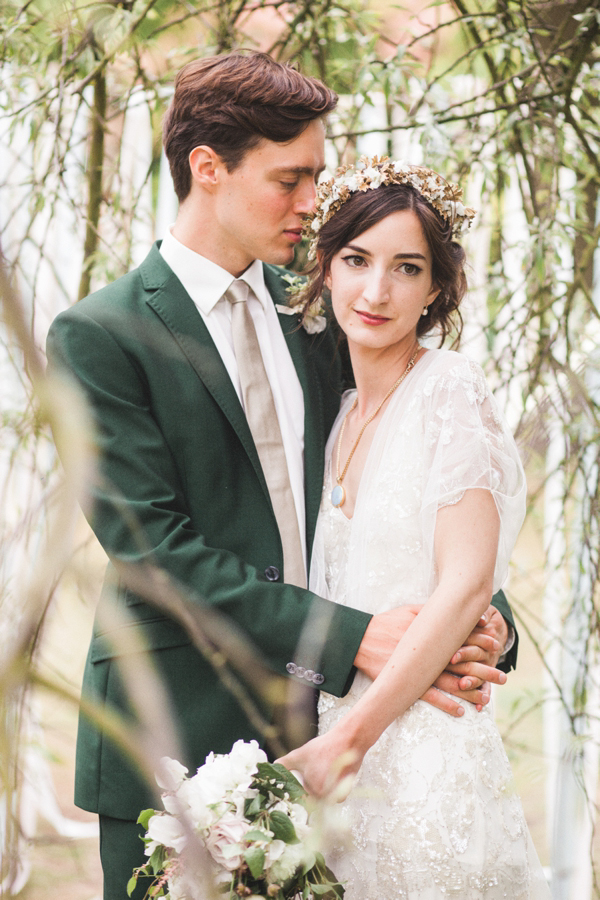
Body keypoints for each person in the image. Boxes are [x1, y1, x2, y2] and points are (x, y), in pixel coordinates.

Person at [45, 55, 517, 899]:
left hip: (339, 745)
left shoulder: (324, 308)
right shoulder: (99, 336)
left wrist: (481, 623)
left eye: (317, 177)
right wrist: (352, 639)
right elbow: (151, 548)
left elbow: (408, 469)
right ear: (207, 168)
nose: (313, 204)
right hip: (174, 731)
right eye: (291, 178)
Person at [278, 158, 550, 898]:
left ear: (435, 288)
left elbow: (466, 585)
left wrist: (348, 741)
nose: (376, 291)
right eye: (358, 260)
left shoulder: (449, 391)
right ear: (326, 268)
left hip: (424, 757)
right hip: (340, 770)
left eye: (406, 268)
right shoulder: (334, 422)